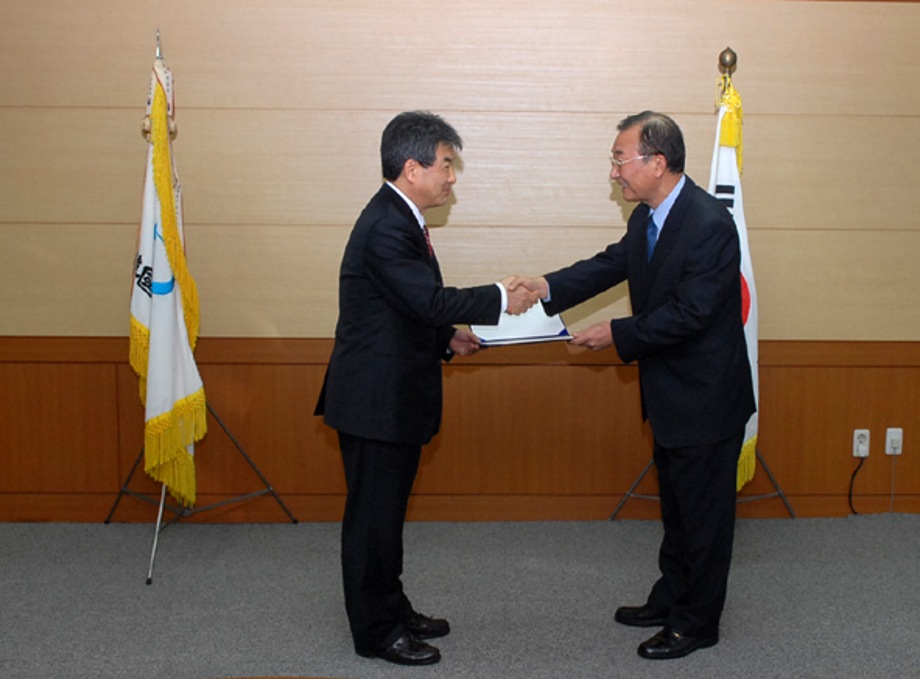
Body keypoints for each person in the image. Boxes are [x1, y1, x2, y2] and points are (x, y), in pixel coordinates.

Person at [511, 111, 755, 660]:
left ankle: (697, 622)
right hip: (670, 393)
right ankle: (671, 596)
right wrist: (547, 285)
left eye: (620, 160)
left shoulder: (708, 223)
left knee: (704, 517)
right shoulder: (647, 218)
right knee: (678, 509)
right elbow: (611, 265)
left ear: (657, 162)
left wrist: (616, 334)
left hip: (707, 397)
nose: (615, 172)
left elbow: (690, 314)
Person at [314, 110, 538, 666]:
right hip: (375, 401)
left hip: (391, 395)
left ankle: (392, 606)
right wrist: (496, 298)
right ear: (412, 168)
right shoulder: (389, 225)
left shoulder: (401, 217)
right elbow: (426, 300)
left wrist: (448, 339)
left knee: (387, 516)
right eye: (445, 164)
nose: (452, 177)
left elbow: (408, 309)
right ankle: (376, 633)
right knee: (373, 522)